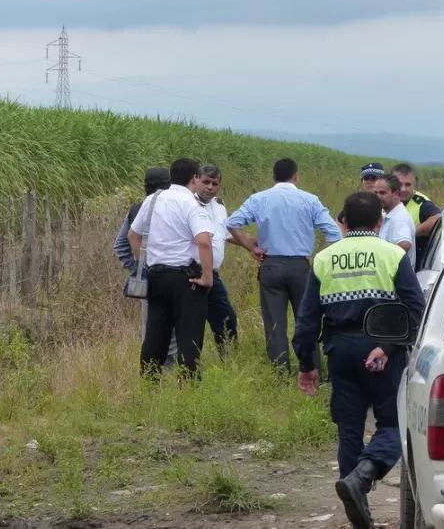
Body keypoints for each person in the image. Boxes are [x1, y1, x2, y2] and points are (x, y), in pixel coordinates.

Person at [291, 190, 426, 529]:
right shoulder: (392, 255)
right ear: (380, 222)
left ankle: (358, 507)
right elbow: (415, 309)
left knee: (349, 431)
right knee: (394, 426)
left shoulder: (325, 258)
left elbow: (307, 321)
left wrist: (307, 365)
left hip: (340, 350)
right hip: (381, 352)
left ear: (344, 222)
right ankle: (364, 475)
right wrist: (389, 347)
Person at [226, 157, 341, 372]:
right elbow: (334, 233)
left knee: (275, 322)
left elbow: (232, 223)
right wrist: (317, 257)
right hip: (300, 266)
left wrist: (251, 247)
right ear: (296, 176)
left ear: (273, 177)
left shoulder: (259, 199)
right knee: (306, 319)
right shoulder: (309, 199)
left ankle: (280, 371)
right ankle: (310, 368)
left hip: (270, 264)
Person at [128, 158, 214, 378]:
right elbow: (204, 241)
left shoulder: (153, 200)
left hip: (157, 277)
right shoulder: (191, 204)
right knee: (189, 335)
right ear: (194, 177)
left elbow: (133, 235)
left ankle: (149, 381)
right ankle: (188, 385)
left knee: (155, 333)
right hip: (186, 280)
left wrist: (144, 265)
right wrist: (206, 277)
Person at [113, 166, 178, 368]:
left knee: (150, 329)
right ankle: (169, 372)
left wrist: (138, 269)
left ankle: (150, 375)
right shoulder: (176, 206)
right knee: (173, 332)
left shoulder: (136, 209)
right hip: (174, 276)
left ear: (145, 186)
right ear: (169, 185)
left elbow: (120, 245)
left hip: (148, 279)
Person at [196, 164, 260, 351]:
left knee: (226, 319)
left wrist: (254, 245)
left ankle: (229, 360)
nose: (210, 187)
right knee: (193, 322)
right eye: (206, 181)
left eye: (214, 183)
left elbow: (228, 235)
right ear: (196, 180)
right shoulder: (188, 204)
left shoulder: (219, 207)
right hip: (193, 272)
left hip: (213, 275)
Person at [390, 163, 440, 269]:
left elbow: (438, 218)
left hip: (414, 268)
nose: (403, 189)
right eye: (399, 184)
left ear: (415, 184)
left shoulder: (422, 203)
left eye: (408, 185)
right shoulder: (385, 200)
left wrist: (410, 233)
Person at [372, 173, 416, 269]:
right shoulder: (389, 215)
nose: (377, 197)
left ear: (396, 193)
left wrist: (378, 259)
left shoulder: (399, 218)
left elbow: (404, 244)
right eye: (375, 193)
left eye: (382, 193)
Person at [337, 163, 386, 229]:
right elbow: (340, 220)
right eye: (366, 178)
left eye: (373, 178)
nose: (369, 181)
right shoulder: (356, 202)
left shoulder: (388, 201)